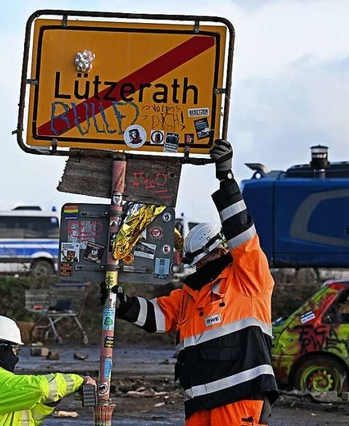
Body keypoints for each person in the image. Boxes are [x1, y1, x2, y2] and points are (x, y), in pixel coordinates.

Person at [101, 140, 278, 425]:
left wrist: (226, 179)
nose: (200, 268)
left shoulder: (247, 277)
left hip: (239, 396)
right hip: (200, 400)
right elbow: (158, 315)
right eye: (197, 264)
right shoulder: (190, 294)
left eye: (204, 261)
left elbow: (242, 232)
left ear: (222, 251)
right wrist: (119, 303)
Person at [0, 314, 96, 425]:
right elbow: (42, 387)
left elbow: (26, 420)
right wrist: (80, 380)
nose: (16, 357)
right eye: (15, 350)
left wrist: (50, 401)